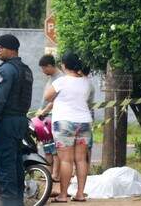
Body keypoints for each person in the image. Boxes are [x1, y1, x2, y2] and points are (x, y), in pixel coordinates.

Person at [0, 34, 33, 206]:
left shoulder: (6, 70)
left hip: (6, 123)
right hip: (20, 122)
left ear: (11, 49)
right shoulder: (26, 70)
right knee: (16, 168)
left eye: (0, 47)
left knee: (5, 169)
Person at [45, 51, 93, 203]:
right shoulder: (86, 81)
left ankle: (63, 195)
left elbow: (47, 96)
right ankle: (79, 194)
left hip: (64, 122)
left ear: (64, 65)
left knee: (66, 160)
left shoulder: (61, 81)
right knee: (81, 160)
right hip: (84, 122)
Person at [36, 54, 62, 182]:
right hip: (45, 117)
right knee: (47, 147)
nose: (43, 71)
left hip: (53, 116)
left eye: (44, 68)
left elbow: (56, 100)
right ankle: (48, 173)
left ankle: (56, 175)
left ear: (50, 66)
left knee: (55, 149)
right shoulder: (51, 77)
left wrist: (44, 111)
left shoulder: (60, 78)